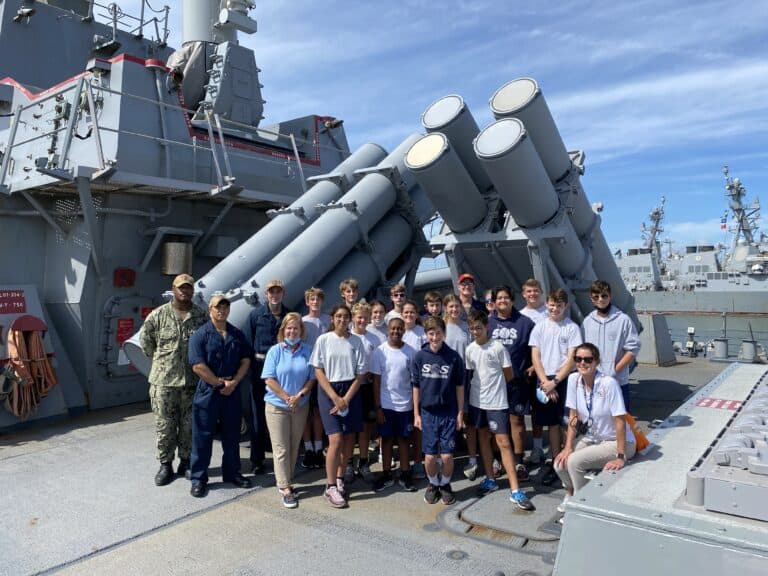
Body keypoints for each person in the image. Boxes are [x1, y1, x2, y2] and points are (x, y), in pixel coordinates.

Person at [553, 342, 636, 515]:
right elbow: (573, 416)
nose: (582, 363)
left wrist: (621, 456)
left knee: (575, 462)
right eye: (578, 359)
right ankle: (571, 493)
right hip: (593, 437)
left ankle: (581, 506)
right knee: (559, 464)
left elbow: (620, 420)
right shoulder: (573, 380)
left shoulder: (608, 384)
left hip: (618, 442)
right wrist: (567, 447)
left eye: (588, 359)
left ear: (596, 362)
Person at [140, 273, 207, 486]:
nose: (185, 291)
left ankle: (185, 462)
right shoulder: (158, 315)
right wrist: (164, 364)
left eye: (188, 288)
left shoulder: (200, 316)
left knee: (188, 426)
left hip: (191, 382)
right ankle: (165, 464)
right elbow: (146, 344)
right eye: (181, 287)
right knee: (165, 425)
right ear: (173, 289)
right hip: (164, 382)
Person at [465, 310, 535, 511]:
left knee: (504, 443)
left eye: (479, 327)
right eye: (472, 329)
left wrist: (494, 391)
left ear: (487, 327)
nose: (476, 331)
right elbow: (472, 375)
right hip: (477, 403)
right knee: (483, 439)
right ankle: (490, 479)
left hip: (497, 403)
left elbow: (508, 375)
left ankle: (515, 490)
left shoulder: (498, 348)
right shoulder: (469, 349)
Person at [188, 295, 252, 498]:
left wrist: (234, 382)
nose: (222, 310)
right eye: (218, 307)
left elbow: (246, 360)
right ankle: (198, 478)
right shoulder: (201, 335)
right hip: (209, 391)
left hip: (231, 390)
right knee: (203, 436)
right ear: (210, 310)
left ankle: (232, 473)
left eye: (225, 307)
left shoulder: (236, 334)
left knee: (232, 434)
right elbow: (198, 365)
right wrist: (218, 383)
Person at [310, 305, 366, 508]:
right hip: (328, 391)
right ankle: (330, 485)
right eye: (338, 316)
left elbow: (360, 375)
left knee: (350, 438)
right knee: (335, 439)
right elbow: (318, 370)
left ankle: (341, 478)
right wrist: (335, 397)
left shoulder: (356, 341)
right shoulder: (323, 340)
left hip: (351, 390)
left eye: (346, 316)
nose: (343, 319)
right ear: (332, 319)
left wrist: (346, 398)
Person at [529, 289, 582, 485]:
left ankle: (568, 457)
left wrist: (555, 381)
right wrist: (545, 382)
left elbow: (572, 359)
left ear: (565, 306)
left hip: (564, 379)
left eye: (559, 305)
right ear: (547, 304)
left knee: (568, 420)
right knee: (551, 423)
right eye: (551, 304)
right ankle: (555, 460)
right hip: (545, 379)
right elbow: (536, 356)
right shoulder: (540, 327)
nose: (554, 308)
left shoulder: (572, 328)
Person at [262, 313, 315, 509]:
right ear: (283, 330)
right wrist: (286, 397)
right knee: (281, 448)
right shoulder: (275, 351)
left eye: (296, 328)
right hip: (277, 406)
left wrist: (299, 396)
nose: (292, 331)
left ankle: (287, 476)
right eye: (289, 328)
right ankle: (285, 486)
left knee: (294, 445)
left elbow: (312, 377)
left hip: (300, 405)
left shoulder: (308, 351)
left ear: (301, 330)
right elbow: (268, 378)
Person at [412, 316, 465, 505]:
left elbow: (459, 386)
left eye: (438, 333)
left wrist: (460, 412)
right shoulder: (419, 356)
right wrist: (416, 414)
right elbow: (416, 386)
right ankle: (433, 483)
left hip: (448, 412)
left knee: (447, 455)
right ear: (426, 334)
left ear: (444, 333)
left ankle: (445, 484)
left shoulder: (453, 357)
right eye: (431, 333)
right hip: (428, 413)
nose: (435, 337)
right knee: (430, 456)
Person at [488, 284, 535, 481]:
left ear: (513, 300)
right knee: (494, 424)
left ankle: (518, 461)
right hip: (493, 382)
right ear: (494, 302)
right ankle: (497, 459)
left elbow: (535, 349)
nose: (503, 301)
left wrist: (533, 366)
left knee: (516, 421)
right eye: (499, 298)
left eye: (506, 298)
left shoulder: (525, 323)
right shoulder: (487, 323)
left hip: (517, 382)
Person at [247, 279, 291, 475]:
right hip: (259, 375)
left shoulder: (288, 317)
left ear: (283, 294)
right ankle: (257, 460)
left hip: (282, 376)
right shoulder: (256, 316)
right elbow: (249, 345)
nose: (274, 295)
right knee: (258, 417)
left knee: (282, 416)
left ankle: (282, 459)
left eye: (278, 292)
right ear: (266, 295)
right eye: (271, 292)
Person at [371, 317, 418, 492]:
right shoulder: (379, 352)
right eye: (393, 329)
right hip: (386, 406)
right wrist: (378, 407)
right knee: (387, 440)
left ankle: (406, 474)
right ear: (387, 331)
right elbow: (376, 381)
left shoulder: (411, 352)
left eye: (399, 329)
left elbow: (414, 382)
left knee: (405, 440)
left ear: (403, 331)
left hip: (405, 406)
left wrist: (414, 408)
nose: (396, 331)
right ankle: (386, 474)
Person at [581, 280, 641, 412]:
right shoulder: (587, 322)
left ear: (610, 296)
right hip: (594, 382)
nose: (600, 300)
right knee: (597, 420)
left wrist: (614, 370)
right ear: (591, 299)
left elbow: (633, 348)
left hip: (618, 382)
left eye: (604, 296)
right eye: (596, 297)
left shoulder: (623, 320)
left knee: (621, 421)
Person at [443, 293, 478, 481]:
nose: (454, 310)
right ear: (445, 308)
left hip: (465, 377)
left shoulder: (467, 329)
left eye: (457, 306)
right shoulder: (443, 329)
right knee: (448, 419)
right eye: (451, 307)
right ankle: (447, 459)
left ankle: (472, 459)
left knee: (467, 419)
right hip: (446, 379)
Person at [518, 278, 548, 467]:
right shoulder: (521, 315)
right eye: (529, 291)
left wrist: (537, 367)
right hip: (525, 371)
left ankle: (538, 448)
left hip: (543, 370)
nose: (532, 294)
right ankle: (519, 451)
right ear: (523, 294)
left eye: (535, 291)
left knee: (540, 411)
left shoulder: (549, 313)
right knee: (520, 411)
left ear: (541, 292)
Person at [349, 301, 379, 482]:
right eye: (359, 317)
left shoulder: (374, 339)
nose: (362, 320)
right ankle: (348, 464)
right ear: (354, 318)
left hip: (367, 386)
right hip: (351, 387)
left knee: (366, 427)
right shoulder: (348, 336)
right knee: (351, 427)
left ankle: (363, 461)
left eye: (365, 318)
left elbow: (376, 365)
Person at [300, 287, 329, 470]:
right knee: (305, 412)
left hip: (323, 371)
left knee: (318, 412)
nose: (315, 302)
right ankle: (308, 448)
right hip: (305, 370)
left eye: (318, 299)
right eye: (312, 299)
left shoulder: (327, 320)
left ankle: (318, 447)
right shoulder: (302, 322)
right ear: (307, 302)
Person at [401, 299, 426, 478]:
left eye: (412, 312)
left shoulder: (422, 334)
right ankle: (404, 462)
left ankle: (418, 461)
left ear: (416, 315)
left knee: (418, 426)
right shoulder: (398, 333)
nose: (409, 315)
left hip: (419, 385)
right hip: (400, 387)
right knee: (404, 427)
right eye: (406, 312)